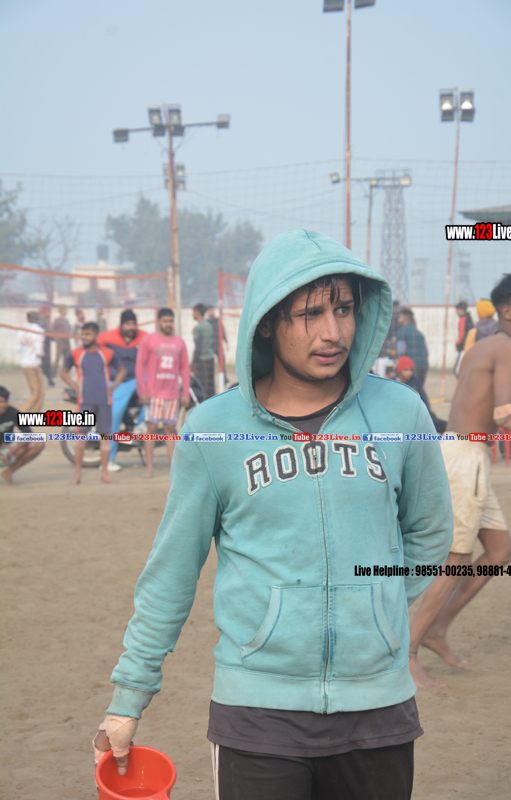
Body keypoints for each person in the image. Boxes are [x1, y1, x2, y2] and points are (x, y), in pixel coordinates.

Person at [93, 229, 453, 800]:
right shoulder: (212, 430)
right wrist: (127, 698)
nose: (332, 332)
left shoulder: (401, 412)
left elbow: (430, 531)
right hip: (256, 714)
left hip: (378, 709)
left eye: (343, 309)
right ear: (265, 322)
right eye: (310, 314)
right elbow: (172, 571)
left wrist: (375, 611)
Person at [409, 272, 511, 690]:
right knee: (456, 559)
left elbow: (500, 402)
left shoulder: (483, 345)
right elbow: (505, 415)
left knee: (499, 550)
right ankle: (408, 651)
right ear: (508, 311)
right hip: (465, 458)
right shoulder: (510, 348)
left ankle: (437, 630)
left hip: (461, 453)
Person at [464, 299, 511, 468]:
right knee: (510, 415)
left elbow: (463, 365)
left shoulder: (475, 334)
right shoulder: (506, 340)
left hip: (465, 442)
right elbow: (505, 414)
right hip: (470, 453)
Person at [61, 322, 126, 484]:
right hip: (85, 402)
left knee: (105, 438)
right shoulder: (76, 353)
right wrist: (74, 386)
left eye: (88, 334)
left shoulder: (107, 353)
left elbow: (122, 371)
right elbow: (63, 372)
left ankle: (104, 474)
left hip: (104, 402)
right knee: (80, 439)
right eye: (83, 334)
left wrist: (113, 388)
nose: (84, 337)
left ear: (96, 335)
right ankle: (77, 475)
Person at [135, 308, 190, 479]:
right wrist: (142, 391)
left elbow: (185, 368)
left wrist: (185, 392)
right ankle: (149, 468)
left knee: (170, 429)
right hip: (153, 394)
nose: (168, 324)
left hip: (172, 394)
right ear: (158, 322)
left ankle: (173, 469)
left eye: (170, 321)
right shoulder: (148, 340)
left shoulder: (180, 343)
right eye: (165, 321)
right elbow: (139, 366)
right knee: (151, 428)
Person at [98, 310, 147, 472]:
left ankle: (141, 424)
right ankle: (109, 460)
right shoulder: (106, 338)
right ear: (121, 324)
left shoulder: (144, 337)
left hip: (138, 380)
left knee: (154, 388)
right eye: (127, 323)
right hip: (118, 382)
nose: (131, 327)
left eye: (133, 323)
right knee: (114, 418)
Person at [0, 385, 44, 485]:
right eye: (0, 402)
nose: (3, 405)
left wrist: (14, 449)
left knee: (38, 443)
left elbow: (29, 434)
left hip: (7, 451)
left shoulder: (12, 412)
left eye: (5, 401)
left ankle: (8, 472)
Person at [394, 356, 446, 434]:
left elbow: (423, 398)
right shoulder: (392, 383)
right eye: (406, 370)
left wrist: (426, 412)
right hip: (401, 418)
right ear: (399, 370)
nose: (409, 373)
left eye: (411, 370)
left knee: (439, 424)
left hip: (419, 415)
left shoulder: (415, 381)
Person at [16, 311, 45, 413]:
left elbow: (18, 348)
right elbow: (39, 351)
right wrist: (44, 355)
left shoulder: (21, 330)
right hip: (33, 364)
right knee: (37, 392)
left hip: (25, 363)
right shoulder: (39, 331)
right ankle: (21, 413)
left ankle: (35, 413)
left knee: (41, 392)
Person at [396, 308, 429, 386]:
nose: (398, 319)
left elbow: (401, 351)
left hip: (409, 368)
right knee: (419, 389)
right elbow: (426, 352)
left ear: (405, 319)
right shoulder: (419, 333)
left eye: (400, 317)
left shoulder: (402, 331)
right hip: (423, 366)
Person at [191, 303, 215, 400]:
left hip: (201, 361)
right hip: (210, 359)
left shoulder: (198, 328)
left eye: (193, 312)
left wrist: (193, 362)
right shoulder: (209, 325)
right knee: (210, 389)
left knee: (201, 388)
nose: (192, 314)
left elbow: (198, 346)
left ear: (197, 313)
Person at [206, 304, 229, 387]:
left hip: (218, 346)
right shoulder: (206, 323)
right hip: (210, 347)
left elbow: (223, 331)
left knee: (222, 364)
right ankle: (210, 383)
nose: (212, 312)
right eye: (210, 310)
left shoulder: (218, 321)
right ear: (207, 312)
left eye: (213, 310)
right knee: (210, 366)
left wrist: (226, 342)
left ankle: (225, 381)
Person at [51, 305, 71, 378]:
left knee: (67, 358)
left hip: (67, 340)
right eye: (64, 310)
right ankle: (53, 376)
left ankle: (65, 374)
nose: (66, 312)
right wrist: (57, 338)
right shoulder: (57, 320)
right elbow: (53, 330)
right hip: (60, 341)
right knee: (57, 358)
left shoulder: (66, 320)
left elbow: (68, 329)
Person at [454, 301, 474, 375]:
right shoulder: (469, 318)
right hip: (471, 346)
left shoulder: (463, 319)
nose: (456, 312)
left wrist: (457, 344)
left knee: (457, 370)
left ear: (461, 310)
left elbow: (461, 336)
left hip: (464, 348)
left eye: (457, 310)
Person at [38, 306, 55, 387]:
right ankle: (49, 379)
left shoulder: (46, 320)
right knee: (44, 363)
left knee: (46, 363)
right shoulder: (42, 320)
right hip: (42, 344)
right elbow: (44, 331)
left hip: (46, 344)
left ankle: (50, 380)